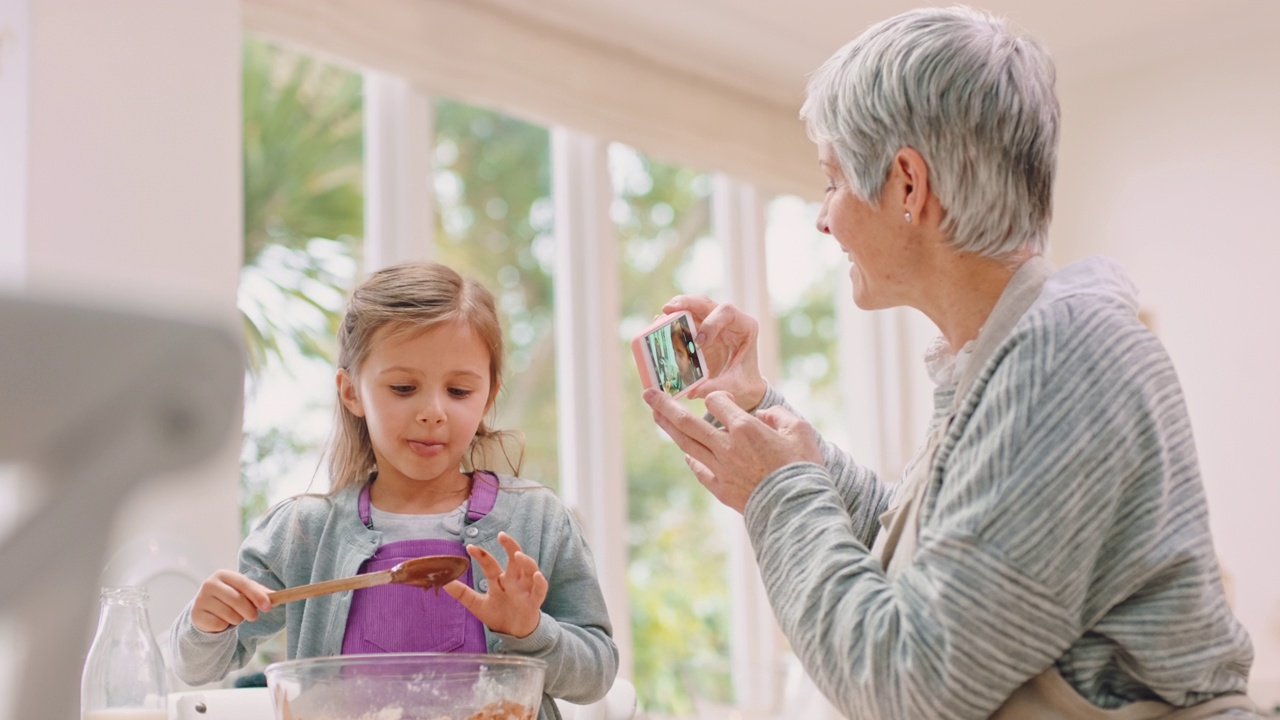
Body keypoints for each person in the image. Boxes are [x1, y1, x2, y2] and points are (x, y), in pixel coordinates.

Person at [643, 7, 1258, 719]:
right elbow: (936, 573)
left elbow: (911, 680)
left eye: (832, 182)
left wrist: (777, 491)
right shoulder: (1018, 354)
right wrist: (761, 416)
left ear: (908, 184)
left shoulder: (1063, 360)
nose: (824, 218)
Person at [170, 262, 618, 719]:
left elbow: (598, 672)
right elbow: (199, 664)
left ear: (488, 396)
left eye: (459, 391)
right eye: (404, 387)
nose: (433, 411)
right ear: (351, 392)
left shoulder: (537, 520)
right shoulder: (302, 532)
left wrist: (530, 632)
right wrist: (205, 622)